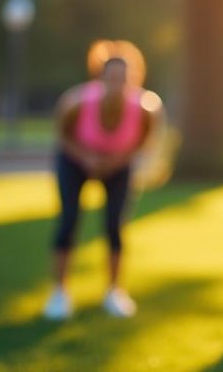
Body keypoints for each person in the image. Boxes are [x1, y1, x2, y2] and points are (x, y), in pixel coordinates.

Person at [43, 40, 163, 320]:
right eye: (111, 77)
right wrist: (86, 158)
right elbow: (62, 136)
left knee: (114, 224)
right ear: (100, 77)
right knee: (69, 219)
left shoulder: (146, 108)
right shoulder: (76, 103)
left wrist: (114, 161)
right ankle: (59, 292)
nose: (117, 83)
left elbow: (144, 143)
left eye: (124, 78)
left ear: (134, 79)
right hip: (75, 160)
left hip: (118, 163)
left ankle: (114, 291)